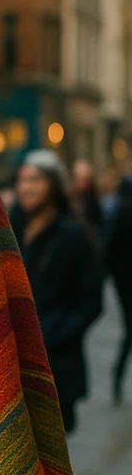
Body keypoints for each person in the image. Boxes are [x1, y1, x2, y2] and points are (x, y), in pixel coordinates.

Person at [13, 150, 100, 475]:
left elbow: (91, 302)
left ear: (54, 185)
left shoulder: (70, 235)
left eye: (36, 180)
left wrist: (54, 336)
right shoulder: (9, 227)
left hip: (56, 370)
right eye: (22, 179)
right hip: (10, 366)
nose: (27, 188)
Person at [107, 172, 132, 402]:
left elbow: (110, 251)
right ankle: (116, 377)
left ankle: (117, 377)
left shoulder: (117, 214)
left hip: (123, 284)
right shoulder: (122, 215)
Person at [71, 158, 106, 245]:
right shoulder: (69, 200)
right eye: (78, 179)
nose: (81, 183)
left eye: (85, 179)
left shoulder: (94, 200)